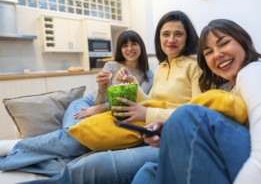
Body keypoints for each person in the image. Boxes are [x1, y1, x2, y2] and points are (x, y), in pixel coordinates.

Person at [132, 19, 261, 184]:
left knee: (188, 115)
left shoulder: (255, 73)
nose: (217, 54)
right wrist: (173, 131)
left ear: (243, 42)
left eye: (224, 43)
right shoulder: (226, 90)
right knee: (149, 172)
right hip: (256, 162)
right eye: (208, 52)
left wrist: (182, 123)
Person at [24, 10, 202, 183]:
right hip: (96, 103)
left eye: (178, 34)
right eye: (166, 34)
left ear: (188, 37)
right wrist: (119, 87)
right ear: (159, 38)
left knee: (78, 141)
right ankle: (22, 151)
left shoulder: (179, 68)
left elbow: (187, 111)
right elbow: (150, 101)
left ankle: (26, 154)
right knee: (74, 132)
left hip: (139, 118)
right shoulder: (160, 67)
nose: (171, 39)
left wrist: (136, 102)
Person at [0, 30, 153, 176]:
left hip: (103, 112)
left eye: (134, 44)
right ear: (120, 49)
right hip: (86, 104)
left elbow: (136, 104)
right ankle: (11, 147)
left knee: (79, 148)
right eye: (124, 45)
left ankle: (9, 159)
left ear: (141, 46)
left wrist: (101, 108)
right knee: (73, 138)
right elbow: (97, 100)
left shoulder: (148, 76)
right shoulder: (112, 66)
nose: (130, 48)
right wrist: (101, 88)